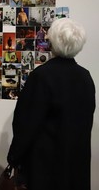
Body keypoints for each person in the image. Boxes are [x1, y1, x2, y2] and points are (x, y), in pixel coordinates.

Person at [7, 18, 96, 190]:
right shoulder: (86, 77)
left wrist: (14, 158)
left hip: (45, 165)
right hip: (76, 162)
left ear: (52, 41)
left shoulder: (42, 76)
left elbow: (25, 123)